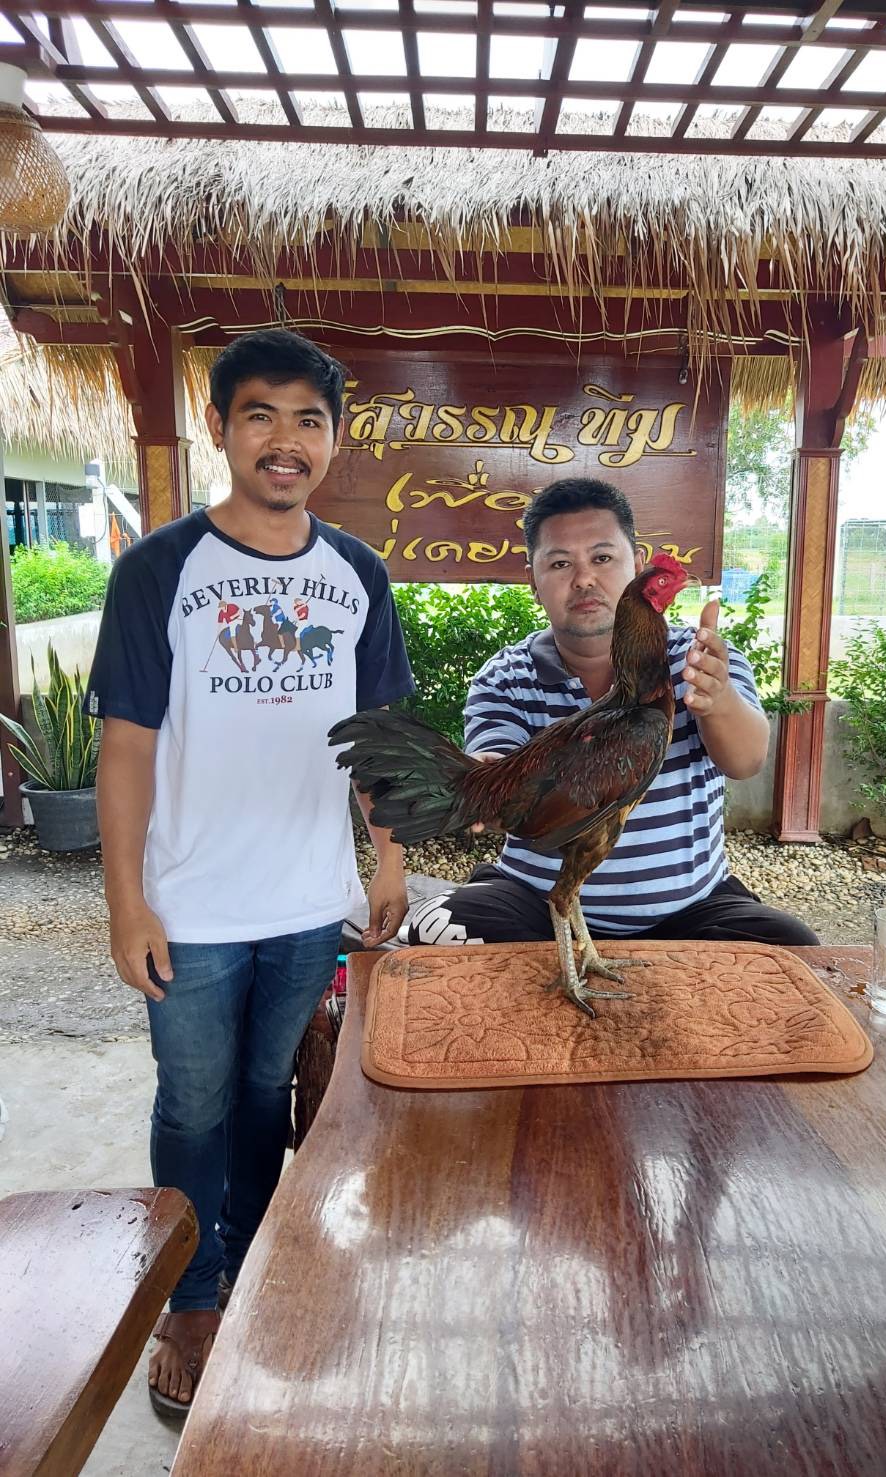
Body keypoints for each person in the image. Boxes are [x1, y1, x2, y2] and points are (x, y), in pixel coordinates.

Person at [86, 328, 414, 1417]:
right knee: (194, 1100)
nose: (286, 439)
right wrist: (125, 900)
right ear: (222, 428)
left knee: (269, 1090)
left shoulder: (356, 575)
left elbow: (380, 736)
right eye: (261, 415)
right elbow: (126, 745)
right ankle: (188, 1298)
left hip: (308, 903)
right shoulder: (159, 569)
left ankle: (248, 1258)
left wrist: (389, 858)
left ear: (334, 439)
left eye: (308, 419)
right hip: (190, 904)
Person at [403, 477, 817, 950]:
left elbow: (747, 761)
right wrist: (479, 782)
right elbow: (498, 760)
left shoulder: (701, 660)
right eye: (561, 563)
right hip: (535, 901)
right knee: (439, 928)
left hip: (689, 910)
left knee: (793, 950)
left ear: (636, 566)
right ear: (533, 581)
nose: (584, 579)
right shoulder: (506, 676)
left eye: (602, 558)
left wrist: (717, 699)